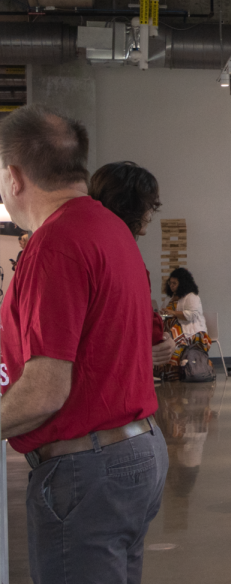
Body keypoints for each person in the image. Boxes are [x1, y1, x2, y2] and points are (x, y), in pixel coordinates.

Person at [0, 105, 167, 584]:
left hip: (87, 467)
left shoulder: (55, 244)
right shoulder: (109, 229)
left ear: (14, 176)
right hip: (131, 451)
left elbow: (47, 389)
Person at [87, 161, 175, 371]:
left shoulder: (116, 249)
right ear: (129, 205)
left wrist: (161, 341)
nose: (150, 214)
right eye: (148, 205)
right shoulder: (113, 254)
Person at [161, 267, 210, 379]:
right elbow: (165, 311)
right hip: (174, 330)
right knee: (162, 341)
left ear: (182, 283)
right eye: (170, 283)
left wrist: (172, 312)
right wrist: (162, 312)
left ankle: (172, 374)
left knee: (172, 344)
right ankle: (164, 373)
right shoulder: (170, 298)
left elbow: (191, 315)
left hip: (192, 332)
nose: (171, 285)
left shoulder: (192, 297)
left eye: (174, 283)